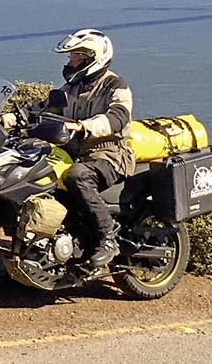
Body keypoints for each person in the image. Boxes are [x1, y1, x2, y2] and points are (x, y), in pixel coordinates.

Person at [53, 28, 135, 267]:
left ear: (92, 57)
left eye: (75, 56)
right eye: (70, 57)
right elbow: (45, 108)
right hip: (76, 153)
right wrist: (12, 118)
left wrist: (84, 126)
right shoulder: (72, 88)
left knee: (77, 177)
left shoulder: (115, 86)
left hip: (110, 155)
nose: (70, 61)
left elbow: (118, 117)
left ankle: (108, 238)